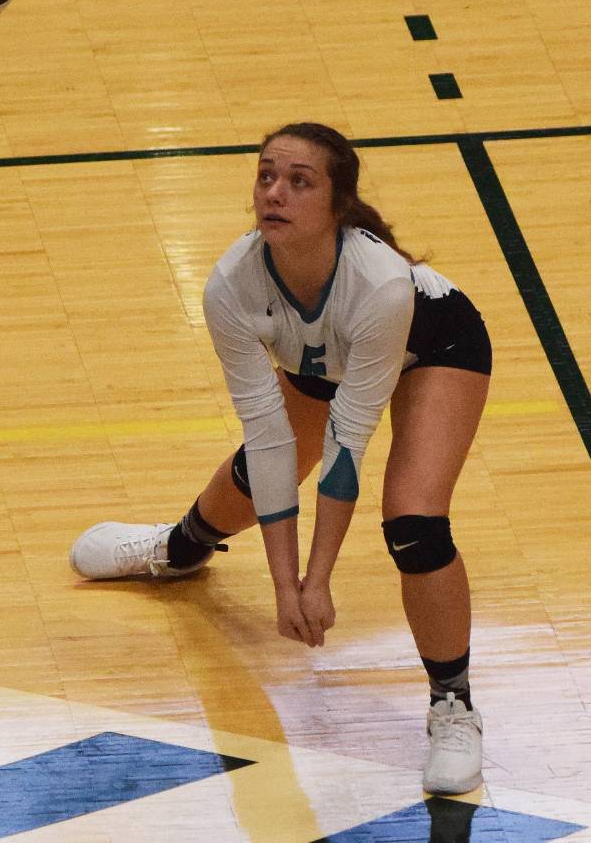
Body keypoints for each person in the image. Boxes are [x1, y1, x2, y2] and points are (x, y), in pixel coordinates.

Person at [70, 122, 492, 796]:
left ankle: (454, 704)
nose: (276, 192)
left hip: (432, 350)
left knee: (414, 518)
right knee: (261, 462)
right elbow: (267, 439)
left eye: (300, 181)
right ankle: (180, 549)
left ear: (337, 204)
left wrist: (315, 582)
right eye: (267, 175)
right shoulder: (231, 286)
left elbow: (345, 445)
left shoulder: (381, 283)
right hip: (329, 355)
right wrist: (282, 585)